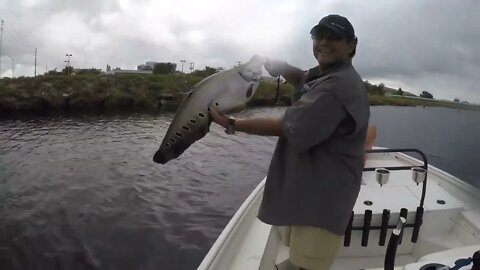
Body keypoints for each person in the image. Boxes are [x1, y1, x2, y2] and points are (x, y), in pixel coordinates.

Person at [209, 14, 370, 270]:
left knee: (308, 266)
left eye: (334, 38)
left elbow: (283, 126)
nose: (324, 43)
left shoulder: (338, 87)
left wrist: (230, 123)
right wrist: (284, 68)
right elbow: (305, 78)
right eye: (319, 36)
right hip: (307, 190)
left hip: (321, 203)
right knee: (296, 258)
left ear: (352, 44)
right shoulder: (330, 74)